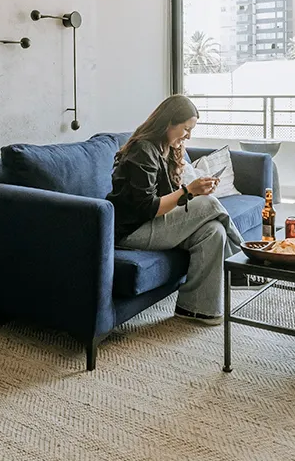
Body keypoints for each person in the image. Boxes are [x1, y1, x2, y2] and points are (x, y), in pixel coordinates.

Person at [107, 95, 263, 326]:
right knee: (208, 204)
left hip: (154, 223)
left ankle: (195, 308)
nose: (188, 136)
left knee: (213, 231)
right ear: (168, 123)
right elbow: (147, 207)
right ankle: (243, 264)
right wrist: (189, 192)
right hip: (131, 231)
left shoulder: (167, 147)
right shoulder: (143, 150)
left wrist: (194, 190)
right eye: (185, 129)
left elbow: (170, 198)